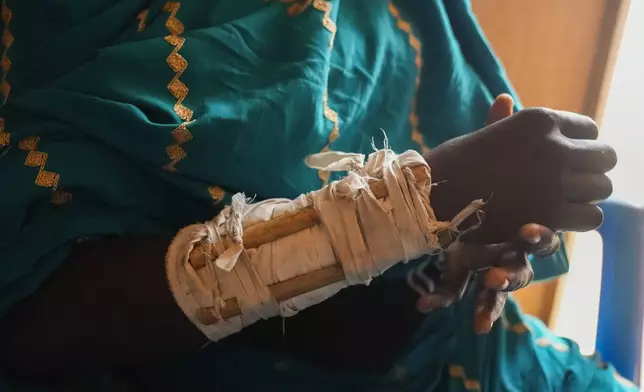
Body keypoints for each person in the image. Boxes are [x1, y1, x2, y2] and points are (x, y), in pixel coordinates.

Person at [0, 0, 629, 390]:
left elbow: (450, 217)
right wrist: (415, 203)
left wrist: (463, 244)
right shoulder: (51, 25)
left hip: (483, 355)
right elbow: (34, 328)